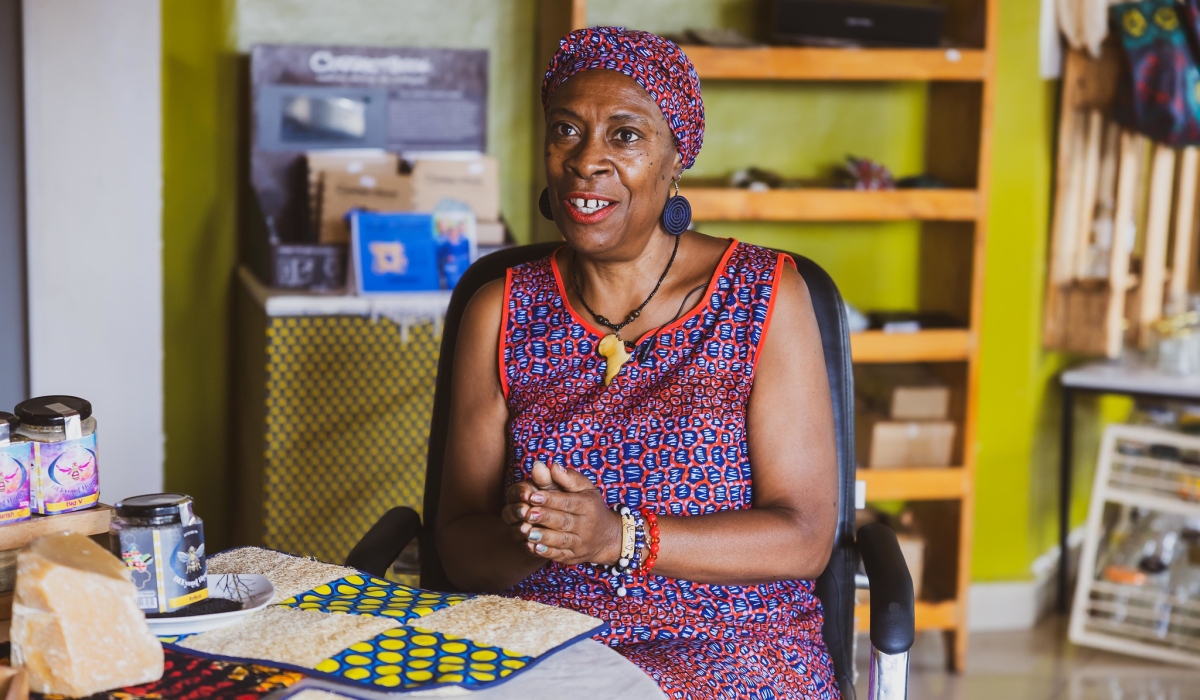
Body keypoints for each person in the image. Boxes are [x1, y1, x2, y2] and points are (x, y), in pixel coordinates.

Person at [436, 26, 840, 700]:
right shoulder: (500, 308)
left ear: (675, 159)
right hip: (544, 644)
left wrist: (617, 536)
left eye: (625, 136)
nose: (586, 160)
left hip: (733, 645)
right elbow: (457, 541)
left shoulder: (765, 295)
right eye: (565, 131)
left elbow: (802, 538)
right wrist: (538, 535)